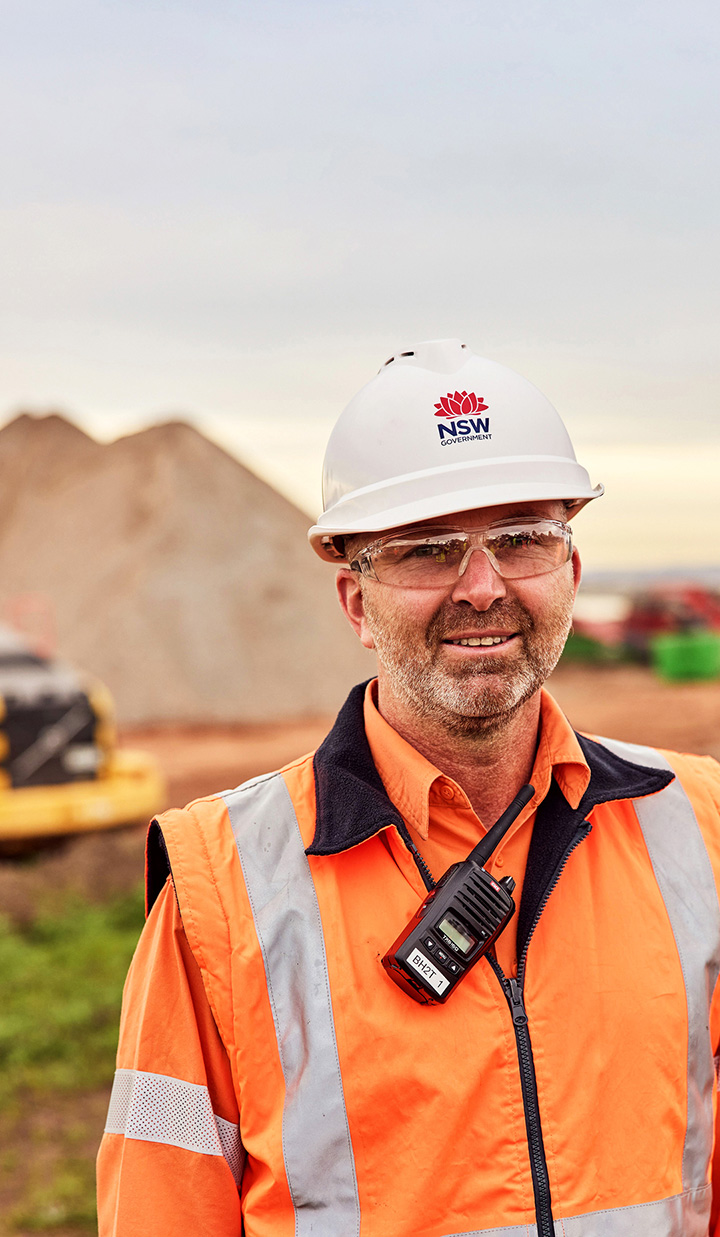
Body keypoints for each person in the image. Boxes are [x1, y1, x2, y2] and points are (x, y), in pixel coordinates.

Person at [97, 339, 720, 1237]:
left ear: (571, 572)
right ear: (356, 603)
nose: (482, 587)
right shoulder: (220, 890)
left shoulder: (696, 826)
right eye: (429, 551)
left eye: (521, 540)